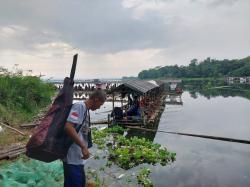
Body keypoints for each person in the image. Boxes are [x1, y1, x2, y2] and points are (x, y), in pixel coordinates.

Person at [63, 89, 106, 187]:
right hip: (72, 156)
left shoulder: (85, 110)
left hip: (77, 157)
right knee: (75, 183)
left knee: (78, 183)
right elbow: (68, 127)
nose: (99, 107)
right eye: (100, 104)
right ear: (95, 99)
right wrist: (83, 146)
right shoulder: (79, 107)